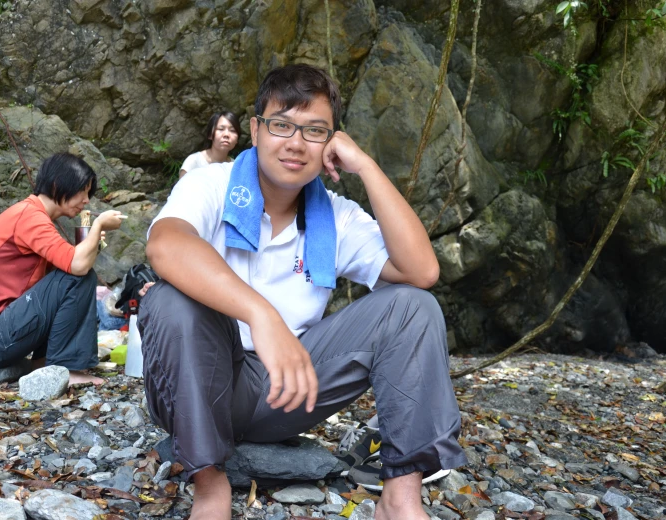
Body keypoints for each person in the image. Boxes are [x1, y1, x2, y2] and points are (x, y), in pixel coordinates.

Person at [142, 64, 466, 520]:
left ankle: (400, 498)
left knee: (413, 307)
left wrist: (366, 167)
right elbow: (166, 244)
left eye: (315, 131)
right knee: (169, 299)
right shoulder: (210, 185)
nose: (296, 143)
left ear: (331, 143)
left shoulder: (334, 216)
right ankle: (211, 490)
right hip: (202, 383)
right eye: (281, 125)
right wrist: (261, 315)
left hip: (289, 392)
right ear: (254, 131)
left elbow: (421, 271)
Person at [0, 152, 125, 386]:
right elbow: (77, 268)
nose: (86, 200)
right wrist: (98, 225)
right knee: (78, 278)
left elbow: (61, 278)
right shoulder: (30, 217)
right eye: (83, 190)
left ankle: (43, 363)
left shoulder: (31, 215)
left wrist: (93, 243)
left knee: (71, 278)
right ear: (57, 185)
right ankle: (65, 368)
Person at [178, 111, 241, 178]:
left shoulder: (235, 167)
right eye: (221, 129)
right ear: (210, 135)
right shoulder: (194, 162)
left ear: (237, 139)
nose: (226, 134)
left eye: (232, 130)